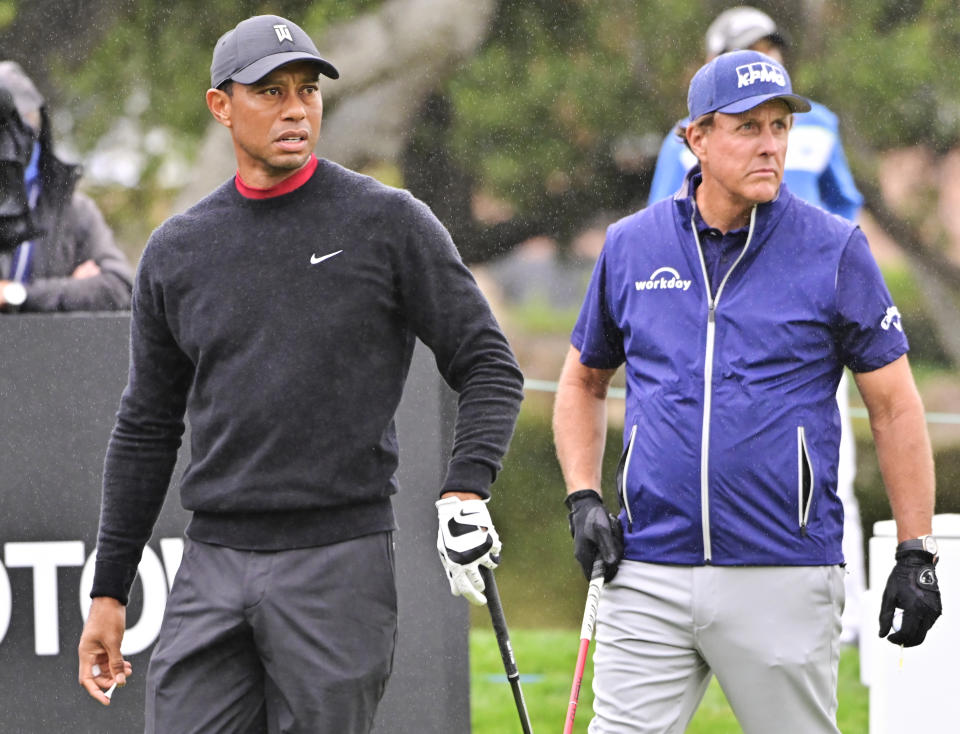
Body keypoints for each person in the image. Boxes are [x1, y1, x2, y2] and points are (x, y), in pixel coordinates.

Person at [76, 14, 523, 733]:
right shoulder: (178, 250)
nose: (295, 109)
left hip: (338, 562)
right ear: (221, 105)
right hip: (213, 559)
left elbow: (488, 363)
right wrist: (109, 591)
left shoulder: (389, 223)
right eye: (270, 92)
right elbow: (146, 426)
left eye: (307, 91)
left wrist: (465, 487)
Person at [554, 49, 941, 733]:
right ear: (695, 138)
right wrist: (583, 494)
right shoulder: (631, 246)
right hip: (646, 569)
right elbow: (583, 381)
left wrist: (915, 552)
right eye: (747, 127)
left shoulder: (835, 249)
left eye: (779, 127)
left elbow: (896, 406)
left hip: (783, 571)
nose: (770, 145)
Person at [647, 4, 867, 646]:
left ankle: (847, 612)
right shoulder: (684, 137)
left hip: (810, 324)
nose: (766, 58)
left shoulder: (817, 124)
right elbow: (670, 218)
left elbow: (842, 207)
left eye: (771, 47)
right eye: (750, 48)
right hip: (725, 319)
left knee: (831, 466)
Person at [0, 61, 133, 313]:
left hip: (51, 350)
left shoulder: (72, 211)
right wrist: (71, 288)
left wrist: (18, 293)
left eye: (29, 125)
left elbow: (119, 287)